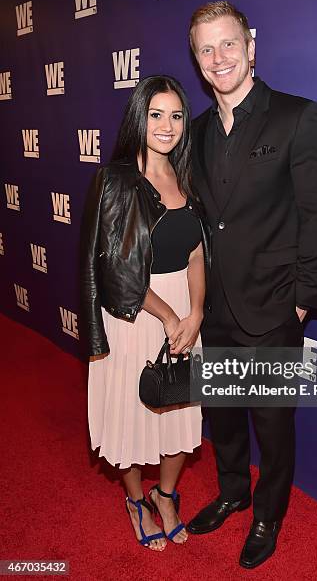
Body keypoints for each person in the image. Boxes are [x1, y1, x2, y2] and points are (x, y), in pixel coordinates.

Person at [186, 2, 317, 569]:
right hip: (216, 306)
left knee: (273, 423)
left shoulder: (296, 116)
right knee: (223, 414)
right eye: (206, 49)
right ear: (198, 62)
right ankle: (232, 491)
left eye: (228, 44)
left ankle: (269, 514)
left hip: (275, 305)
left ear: (251, 47)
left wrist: (304, 300)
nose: (219, 58)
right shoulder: (195, 133)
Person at [81, 75, 209, 551]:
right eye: (156, 114)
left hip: (184, 309)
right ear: (139, 117)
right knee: (134, 419)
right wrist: (168, 316)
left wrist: (195, 312)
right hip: (136, 313)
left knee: (180, 415)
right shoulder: (115, 179)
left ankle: (167, 494)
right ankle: (136, 500)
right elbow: (115, 264)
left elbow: (197, 252)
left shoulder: (186, 175)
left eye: (176, 115)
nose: (167, 125)